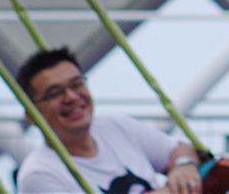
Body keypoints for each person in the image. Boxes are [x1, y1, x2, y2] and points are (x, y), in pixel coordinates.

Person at [15, 47, 201, 194]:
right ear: (31, 116)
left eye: (77, 84)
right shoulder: (39, 174)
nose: (71, 97)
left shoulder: (113, 125)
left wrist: (183, 165)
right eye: (55, 93)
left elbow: (178, 149)